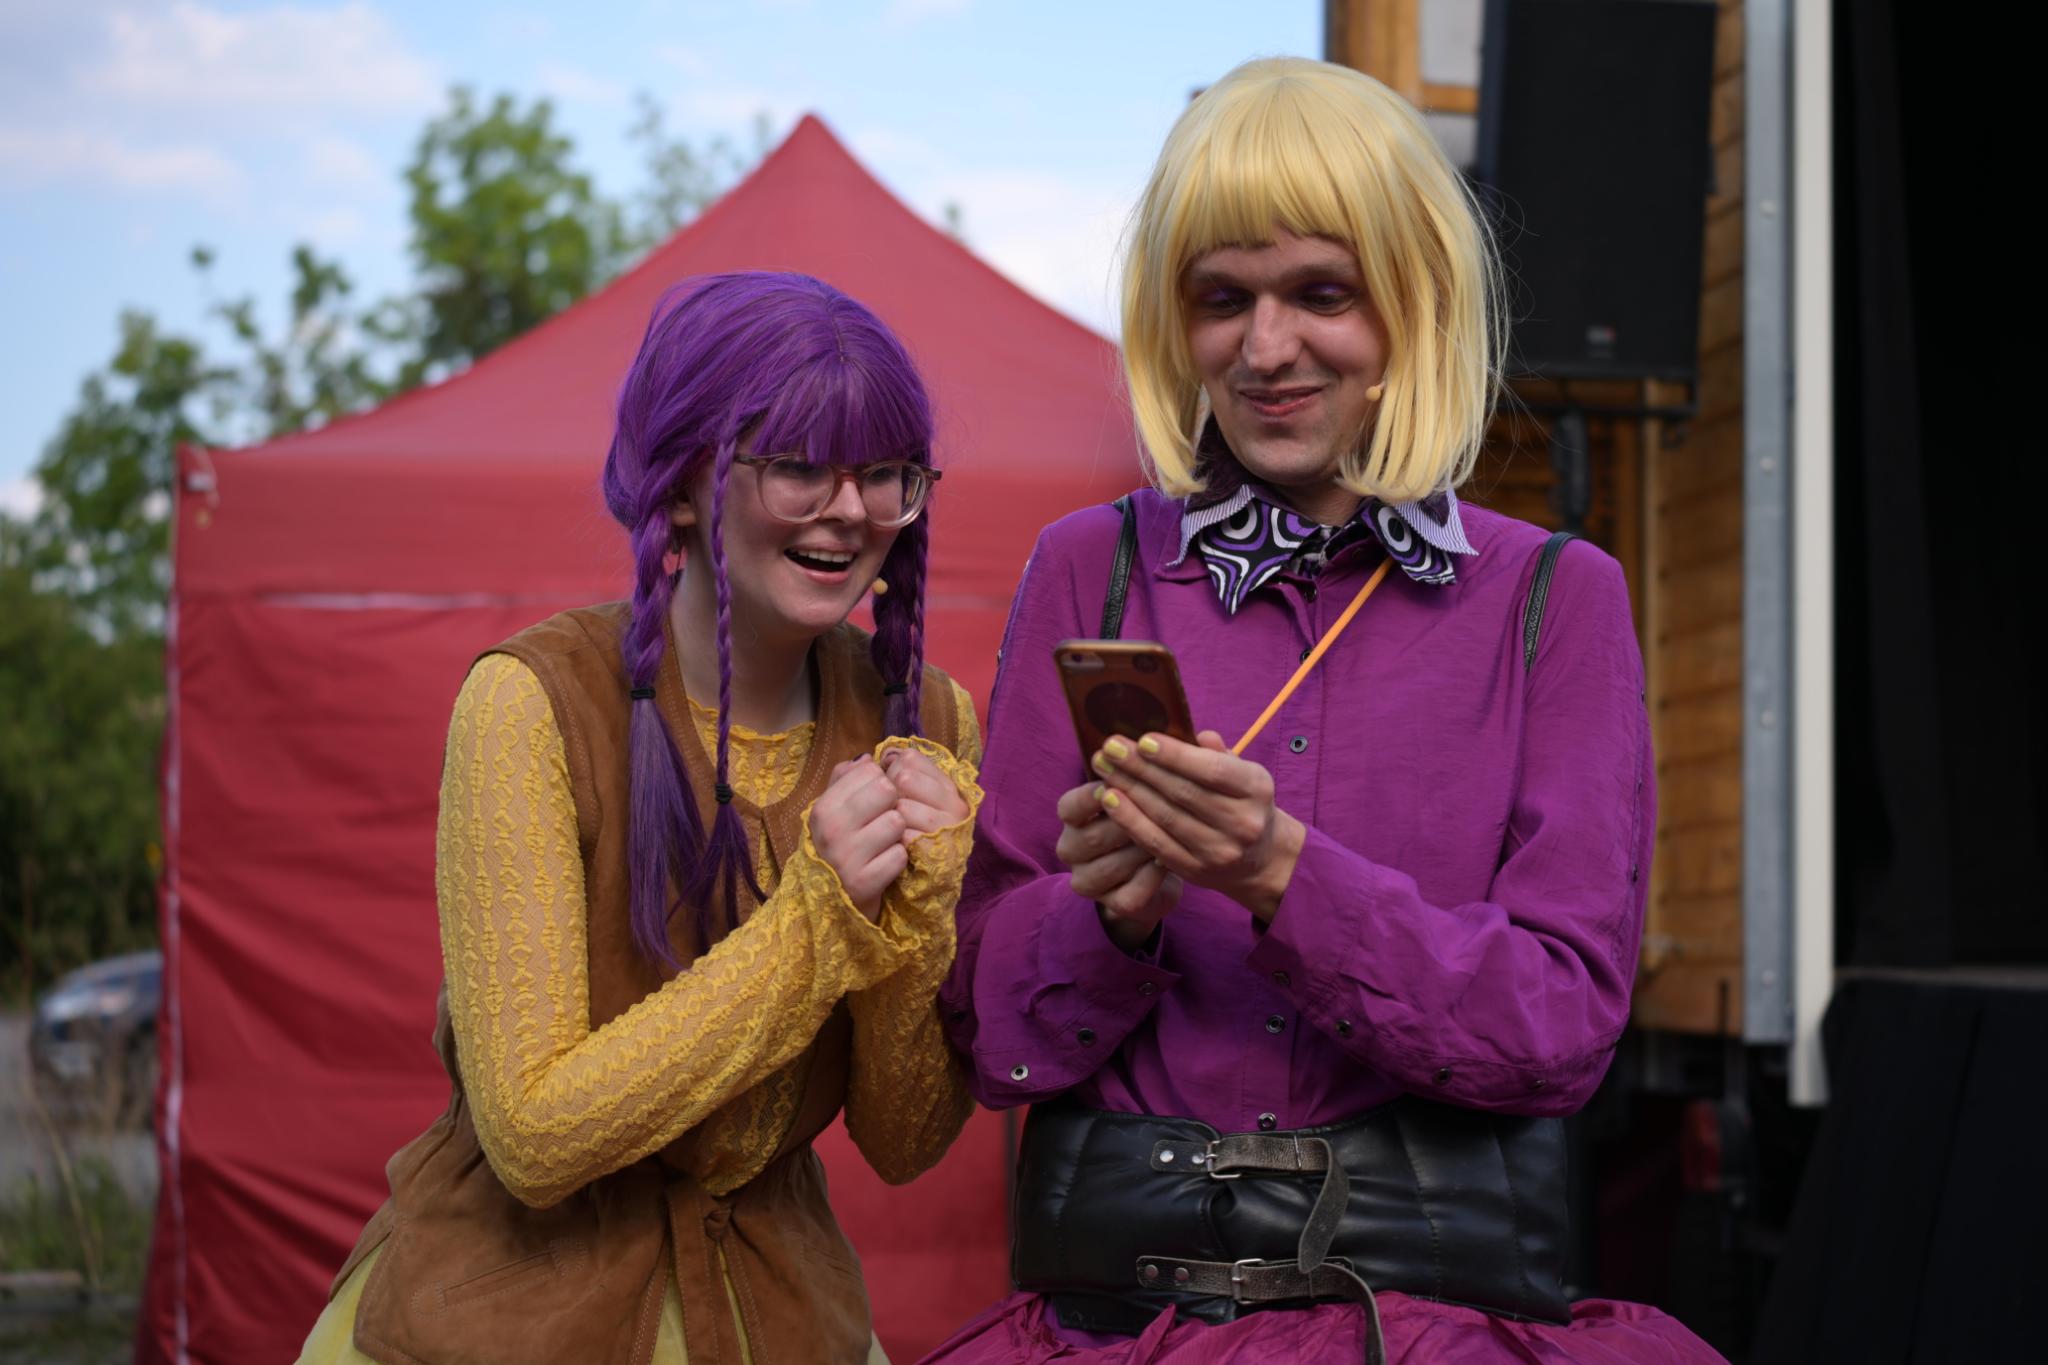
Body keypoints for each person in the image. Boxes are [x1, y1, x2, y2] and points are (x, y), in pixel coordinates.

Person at [925, 59, 1725, 1364]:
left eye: (1320, 294)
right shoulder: (1090, 565)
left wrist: (1280, 874)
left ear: (1413, 303)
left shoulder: (1553, 597)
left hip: (1429, 1329)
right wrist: (1109, 915)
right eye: (1221, 299)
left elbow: (1559, 1032)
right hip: (1121, 1327)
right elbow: (987, 1040)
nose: (1265, 349)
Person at [297, 271, 982, 1365]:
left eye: (885, 472)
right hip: (505, 1322)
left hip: (783, 1320)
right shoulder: (531, 701)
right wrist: (815, 923)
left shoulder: (929, 720)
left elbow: (905, 1143)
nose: (852, 510)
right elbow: (532, 1135)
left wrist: (918, 916)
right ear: (682, 485)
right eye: (799, 465)